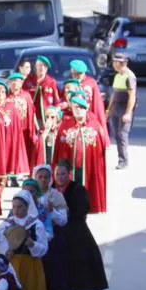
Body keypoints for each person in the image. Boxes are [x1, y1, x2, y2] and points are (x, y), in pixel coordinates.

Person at [52, 159, 109, 290]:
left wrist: (64, 213)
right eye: (57, 174)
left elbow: (82, 210)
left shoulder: (77, 189)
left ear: (69, 174)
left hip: (74, 232)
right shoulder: (50, 189)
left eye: (63, 174)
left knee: (72, 265)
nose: (60, 177)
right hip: (54, 231)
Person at [52, 87, 110, 216]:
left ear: (86, 109)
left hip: (88, 168)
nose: (78, 110)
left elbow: (99, 153)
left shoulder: (94, 126)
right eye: (75, 107)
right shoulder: (65, 125)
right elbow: (59, 149)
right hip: (70, 168)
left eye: (80, 108)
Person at [0, 75, 33, 186]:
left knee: (13, 154)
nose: (0, 94)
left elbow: (28, 114)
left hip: (14, 134)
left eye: (2, 92)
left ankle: (13, 176)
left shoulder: (16, 102)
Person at [27, 55, 62, 168]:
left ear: (47, 69)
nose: (41, 68)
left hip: (47, 118)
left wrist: (55, 118)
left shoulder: (51, 82)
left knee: (48, 141)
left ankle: (48, 164)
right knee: (33, 141)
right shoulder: (29, 81)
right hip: (32, 118)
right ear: (35, 67)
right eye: (39, 65)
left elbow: (56, 102)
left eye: (44, 66)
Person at [106, 52, 137, 169]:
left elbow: (132, 96)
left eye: (115, 62)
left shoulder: (129, 76)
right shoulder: (117, 75)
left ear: (121, 63)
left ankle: (123, 160)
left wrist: (128, 113)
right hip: (116, 108)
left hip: (124, 108)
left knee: (123, 135)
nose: (113, 64)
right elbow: (114, 94)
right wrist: (109, 110)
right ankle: (121, 158)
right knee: (117, 135)